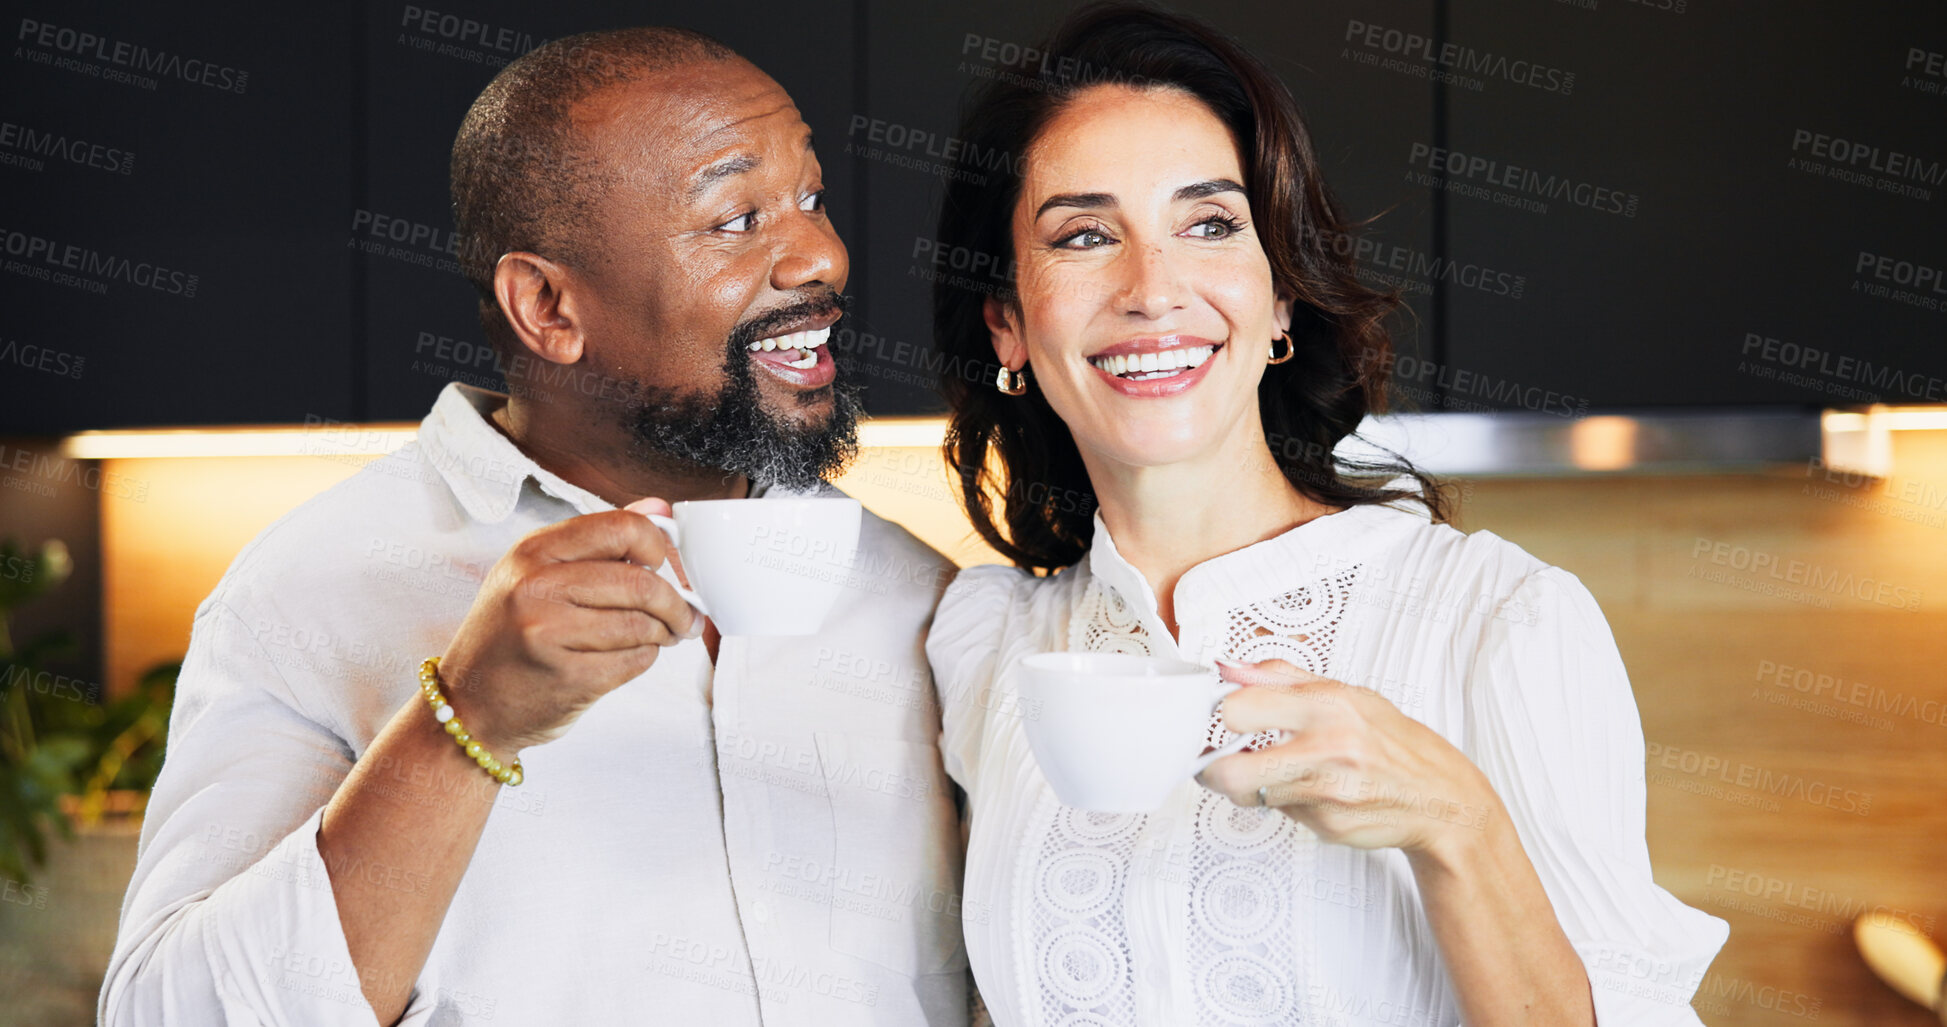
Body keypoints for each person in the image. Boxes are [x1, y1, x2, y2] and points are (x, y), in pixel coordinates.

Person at [102, 27, 969, 1026]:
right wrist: (461, 723)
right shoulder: (315, 586)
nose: (822, 256)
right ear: (548, 306)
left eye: (810, 200)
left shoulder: (923, 600)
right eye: (735, 217)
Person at [923, 5, 1728, 1025]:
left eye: (1209, 225)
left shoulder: (1500, 620)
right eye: (1086, 236)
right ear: (1009, 324)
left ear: (1281, 302)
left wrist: (1455, 822)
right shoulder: (988, 644)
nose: (1152, 288)